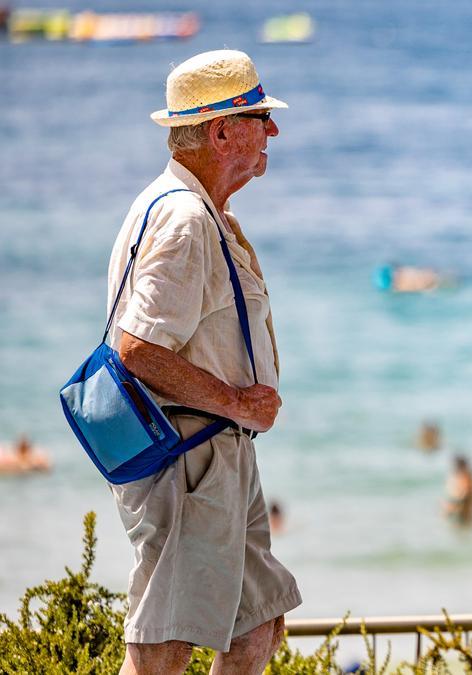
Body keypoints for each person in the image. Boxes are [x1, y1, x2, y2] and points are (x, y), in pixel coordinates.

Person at [105, 50, 300, 674]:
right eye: (259, 117)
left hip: (216, 448)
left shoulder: (198, 210)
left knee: (258, 622)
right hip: (193, 452)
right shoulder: (187, 219)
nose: (272, 131)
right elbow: (135, 349)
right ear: (221, 132)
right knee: (167, 638)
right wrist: (238, 402)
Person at [443, 454, 472, 528]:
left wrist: (450, 508)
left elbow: (464, 496)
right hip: (466, 514)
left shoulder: (466, 477)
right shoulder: (469, 477)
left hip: (462, 514)